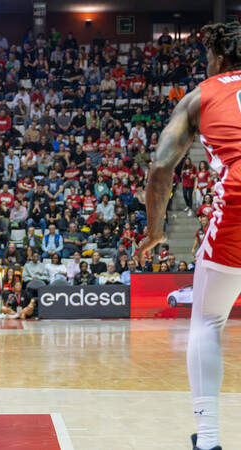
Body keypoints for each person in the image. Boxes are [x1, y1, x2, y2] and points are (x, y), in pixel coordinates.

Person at [137, 22, 241, 450]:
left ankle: (210, 438)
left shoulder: (202, 95)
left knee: (209, 320)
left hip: (237, 203)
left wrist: (155, 231)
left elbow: (161, 167)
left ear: (218, 55)